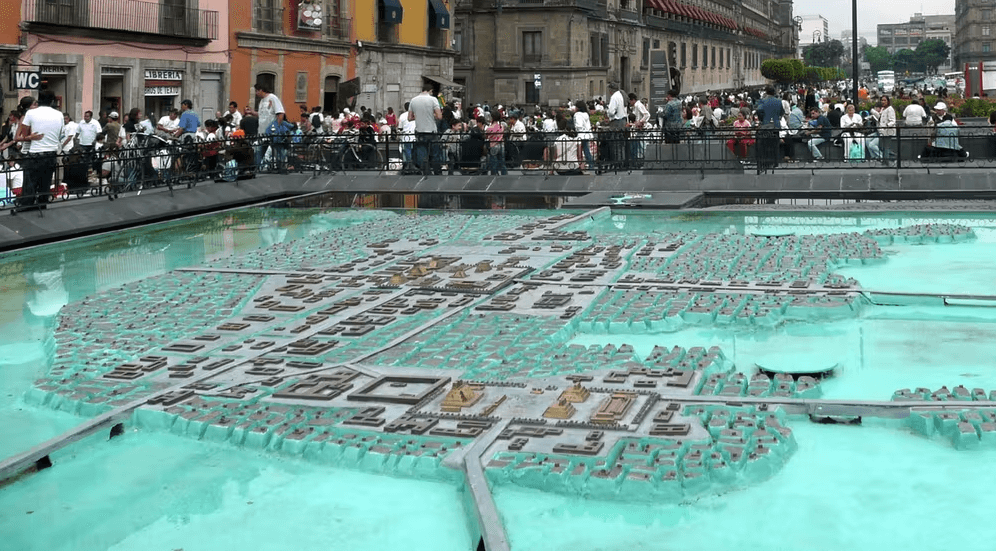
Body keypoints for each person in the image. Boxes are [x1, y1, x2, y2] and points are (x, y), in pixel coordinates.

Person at [15, 90, 64, 211]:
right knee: (45, 183)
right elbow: (60, 134)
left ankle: (27, 206)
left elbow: (25, 135)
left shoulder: (31, 113)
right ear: (52, 101)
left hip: (35, 153)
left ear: (38, 100)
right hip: (51, 153)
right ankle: (42, 204)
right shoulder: (59, 114)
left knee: (30, 183)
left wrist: (32, 136)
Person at [408, 82, 443, 175]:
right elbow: (439, 116)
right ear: (430, 91)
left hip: (420, 131)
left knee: (422, 155)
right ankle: (437, 173)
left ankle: (426, 172)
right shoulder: (433, 99)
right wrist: (432, 115)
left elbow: (409, 118)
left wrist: (419, 116)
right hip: (431, 131)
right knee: (435, 154)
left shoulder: (413, 100)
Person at [755, 86, 783, 170]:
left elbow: (759, 110)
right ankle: (775, 162)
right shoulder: (778, 101)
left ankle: (766, 161)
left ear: (766, 92)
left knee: (764, 144)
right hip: (775, 124)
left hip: (765, 124)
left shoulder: (762, 101)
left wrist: (762, 118)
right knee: (775, 144)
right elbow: (782, 112)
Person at [604, 81, 628, 169]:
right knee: (621, 143)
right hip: (623, 120)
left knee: (615, 143)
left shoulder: (614, 97)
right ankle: (622, 162)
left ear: (611, 90)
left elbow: (611, 111)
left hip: (616, 122)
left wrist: (608, 113)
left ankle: (617, 163)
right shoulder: (621, 94)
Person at [573, 100, 594, 168]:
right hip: (587, 134)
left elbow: (579, 125)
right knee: (586, 149)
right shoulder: (586, 114)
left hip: (581, 134)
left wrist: (576, 129)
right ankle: (590, 163)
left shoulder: (577, 115)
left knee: (582, 150)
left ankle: (588, 164)